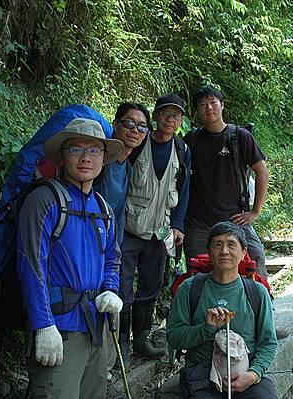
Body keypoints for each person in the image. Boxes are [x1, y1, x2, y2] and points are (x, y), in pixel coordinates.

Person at [17, 118, 124, 398]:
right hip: (59, 327)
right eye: (76, 149)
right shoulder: (44, 200)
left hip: (97, 327)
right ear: (62, 157)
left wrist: (111, 289)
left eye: (95, 151)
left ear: (104, 158)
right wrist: (43, 325)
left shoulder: (104, 209)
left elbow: (112, 259)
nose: (86, 158)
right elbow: (30, 264)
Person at [167, 221, 278, 398]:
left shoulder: (257, 292)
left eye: (231, 245)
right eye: (218, 245)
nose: (224, 251)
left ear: (244, 252)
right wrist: (206, 328)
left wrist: (253, 374)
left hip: (245, 370)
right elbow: (174, 338)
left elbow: (268, 343)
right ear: (209, 252)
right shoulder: (190, 289)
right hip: (202, 374)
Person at [120, 93, 191, 360]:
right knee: (123, 288)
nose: (170, 119)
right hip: (129, 227)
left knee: (150, 286)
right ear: (156, 117)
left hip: (160, 231)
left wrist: (178, 225)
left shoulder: (182, 151)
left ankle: (141, 339)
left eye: (176, 115)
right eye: (165, 114)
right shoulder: (137, 143)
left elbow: (184, 192)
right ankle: (122, 345)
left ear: (181, 120)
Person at [183, 85, 269, 279]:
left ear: (222, 105)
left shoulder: (239, 137)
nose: (209, 108)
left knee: (255, 260)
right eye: (203, 105)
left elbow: (262, 172)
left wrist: (255, 212)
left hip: (235, 218)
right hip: (199, 222)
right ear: (197, 111)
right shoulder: (192, 140)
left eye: (213, 103)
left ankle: (263, 305)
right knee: (197, 271)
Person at [95, 102, 150, 369]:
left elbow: (116, 214)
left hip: (108, 250)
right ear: (115, 123)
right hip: (86, 248)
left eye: (141, 126)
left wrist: (113, 252)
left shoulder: (126, 167)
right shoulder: (100, 163)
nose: (134, 130)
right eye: (128, 123)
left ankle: (104, 363)